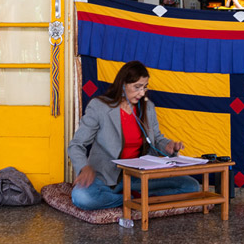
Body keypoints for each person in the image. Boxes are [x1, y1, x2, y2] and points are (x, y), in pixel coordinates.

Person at [68, 60, 199, 210]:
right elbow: (76, 145)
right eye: (137, 87)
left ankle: (132, 198)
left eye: (144, 87)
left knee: (191, 186)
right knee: (82, 197)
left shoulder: (147, 107)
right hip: (107, 177)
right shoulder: (99, 107)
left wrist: (168, 146)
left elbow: (156, 139)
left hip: (139, 176)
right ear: (123, 85)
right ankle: (133, 199)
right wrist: (84, 167)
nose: (142, 93)